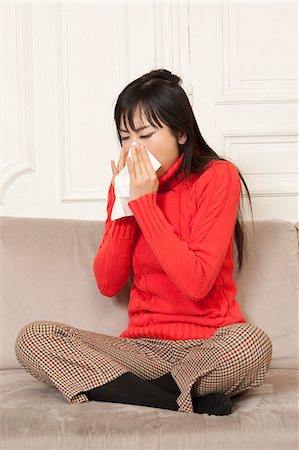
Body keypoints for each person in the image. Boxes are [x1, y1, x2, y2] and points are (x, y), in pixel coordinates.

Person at [15, 69, 273, 416]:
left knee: (252, 345)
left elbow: (196, 284)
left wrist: (146, 205)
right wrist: (125, 203)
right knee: (35, 337)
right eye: (125, 137)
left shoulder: (216, 177)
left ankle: (140, 392)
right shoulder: (124, 190)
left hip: (209, 345)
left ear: (180, 133)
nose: (134, 147)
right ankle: (172, 398)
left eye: (146, 135)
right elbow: (108, 284)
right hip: (141, 351)